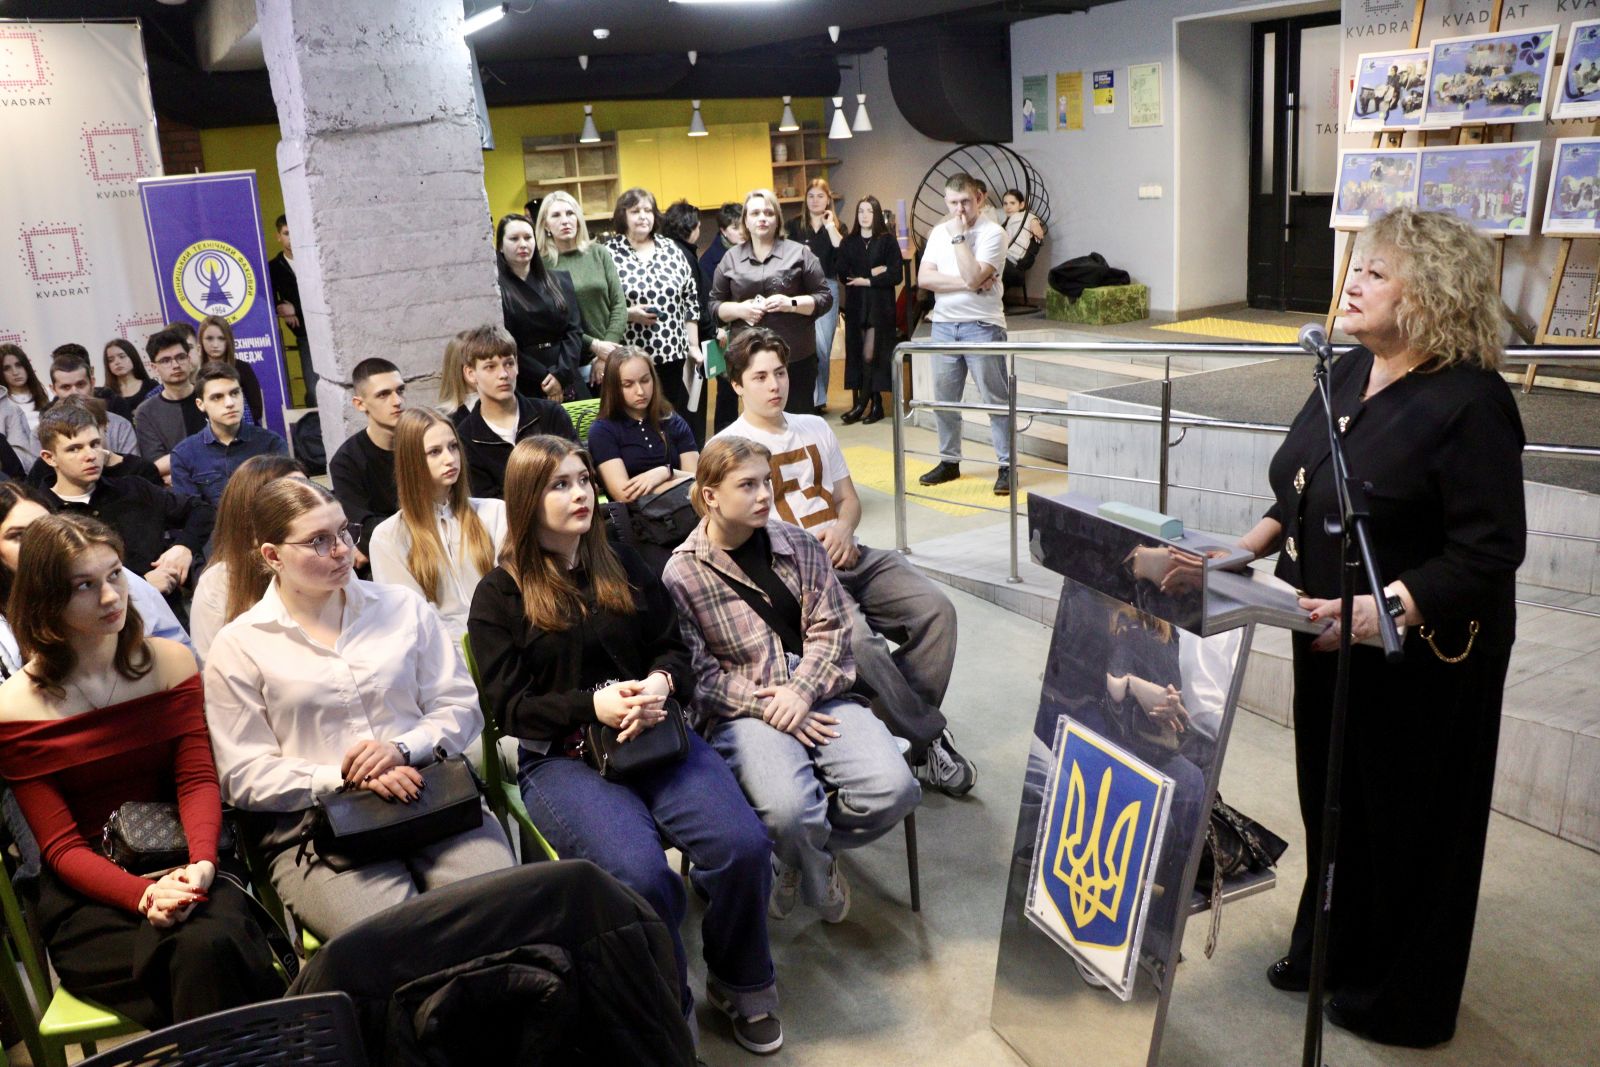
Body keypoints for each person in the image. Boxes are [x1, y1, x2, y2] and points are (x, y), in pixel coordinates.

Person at [1236, 208, 1526, 1048]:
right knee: (1335, 803)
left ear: (1429, 293)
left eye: (1375, 272)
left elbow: (1488, 550)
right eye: (1354, 268)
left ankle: (1402, 994)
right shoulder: (1347, 368)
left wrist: (1381, 607)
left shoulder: (1471, 402)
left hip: (1424, 654)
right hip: (1325, 632)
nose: (1351, 284)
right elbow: (1302, 481)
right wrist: (1244, 547)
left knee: (1409, 822)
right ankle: (1334, 947)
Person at [467, 435, 780, 1054]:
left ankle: (741, 980)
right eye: (560, 485)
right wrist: (593, 705)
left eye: (584, 479)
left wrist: (661, 682)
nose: (581, 494)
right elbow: (509, 708)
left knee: (744, 847)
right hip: (563, 759)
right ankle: (666, 1004)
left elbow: (673, 647)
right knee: (641, 876)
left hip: (654, 733)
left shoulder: (623, 562)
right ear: (526, 500)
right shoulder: (499, 595)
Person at [0, 513, 283, 1027]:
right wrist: (145, 894)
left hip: (185, 856)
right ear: (45, 599)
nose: (111, 596)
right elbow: (60, 846)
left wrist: (201, 864)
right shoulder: (14, 707)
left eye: (114, 574)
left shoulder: (170, 662)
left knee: (205, 945)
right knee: (207, 953)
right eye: (84, 585)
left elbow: (196, 780)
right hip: (89, 894)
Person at [204, 479, 515, 939]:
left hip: (431, 792)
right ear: (272, 556)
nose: (342, 551)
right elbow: (242, 773)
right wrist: (346, 776)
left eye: (344, 532)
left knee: (498, 911)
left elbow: (460, 705)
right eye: (318, 541)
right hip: (317, 825)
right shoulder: (240, 644)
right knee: (396, 940)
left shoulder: (401, 606)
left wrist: (402, 749)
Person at [663, 436, 921, 926]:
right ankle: (809, 862)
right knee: (789, 813)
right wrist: (773, 707)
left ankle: (797, 859)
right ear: (711, 495)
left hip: (820, 691)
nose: (765, 495)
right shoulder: (682, 574)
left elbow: (833, 630)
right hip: (744, 712)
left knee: (897, 790)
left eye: (767, 482)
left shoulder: (799, 544)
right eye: (748, 485)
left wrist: (800, 693)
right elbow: (699, 677)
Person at [712, 329, 973, 795]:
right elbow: (733, 538)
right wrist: (811, 555)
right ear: (736, 384)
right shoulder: (728, 447)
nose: (774, 385)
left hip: (851, 552)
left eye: (780, 373)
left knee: (937, 611)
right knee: (860, 645)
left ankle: (897, 723)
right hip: (798, 575)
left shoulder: (815, 427)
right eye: (760, 377)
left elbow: (848, 500)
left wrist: (844, 529)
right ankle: (927, 738)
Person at [38, 401, 213, 613]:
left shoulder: (134, 489)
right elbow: (54, 590)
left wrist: (184, 547)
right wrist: (141, 587)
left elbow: (201, 510)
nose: (90, 455)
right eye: (74, 449)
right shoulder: (41, 513)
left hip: (166, 617)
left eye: (94, 444)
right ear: (49, 458)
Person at [0, 484, 194, 672]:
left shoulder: (112, 576)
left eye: (45, 530)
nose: (37, 545)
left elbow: (177, 649)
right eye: (18, 536)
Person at [370, 409, 506, 645]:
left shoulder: (495, 513)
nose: (450, 458)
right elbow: (409, 620)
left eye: (453, 447)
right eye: (434, 452)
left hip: (502, 643)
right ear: (411, 461)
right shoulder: (388, 537)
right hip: (440, 655)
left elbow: (511, 595)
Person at [916, 172, 1014, 496]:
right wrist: (969, 282)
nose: (959, 210)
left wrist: (960, 240)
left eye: (965, 202)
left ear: (979, 199)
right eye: (953, 203)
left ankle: (1007, 466)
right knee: (944, 401)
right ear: (946, 201)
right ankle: (949, 461)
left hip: (982, 325)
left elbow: (973, 274)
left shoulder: (993, 233)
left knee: (995, 399)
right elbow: (924, 279)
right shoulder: (938, 232)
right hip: (944, 326)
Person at [708, 189, 832, 433]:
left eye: (768, 212)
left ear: (777, 219)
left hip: (795, 359)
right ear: (745, 221)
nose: (762, 218)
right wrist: (740, 309)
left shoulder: (799, 253)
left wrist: (791, 303)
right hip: (749, 360)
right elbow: (714, 305)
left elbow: (824, 297)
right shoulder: (730, 259)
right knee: (758, 428)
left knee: (799, 426)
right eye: (755, 213)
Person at [188, 455, 305, 658]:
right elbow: (212, 666)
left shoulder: (329, 559)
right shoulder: (218, 583)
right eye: (292, 500)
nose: (311, 506)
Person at [603, 189, 701, 429]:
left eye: (648, 210)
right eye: (635, 211)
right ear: (622, 215)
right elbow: (601, 305)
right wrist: (629, 314)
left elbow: (690, 299)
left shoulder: (671, 248)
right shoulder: (608, 252)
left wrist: (693, 345)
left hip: (672, 353)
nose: (643, 216)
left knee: (669, 418)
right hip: (630, 356)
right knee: (635, 419)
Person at [449, 325, 576, 499]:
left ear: (517, 365)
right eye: (490, 367)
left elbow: (579, 469)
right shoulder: (466, 438)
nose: (503, 374)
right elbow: (488, 503)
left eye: (509, 363)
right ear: (471, 374)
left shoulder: (551, 414)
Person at [536, 191, 627, 392]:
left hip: (612, 356)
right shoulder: (541, 265)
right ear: (545, 225)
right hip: (570, 363)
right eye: (556, 215)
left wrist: (605, 353)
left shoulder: (599, 253)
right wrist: (594, 345)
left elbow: (619, 305)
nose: (565, 220)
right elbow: (554, 321)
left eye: (570, 213)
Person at [169, 362, 289, 509]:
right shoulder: (184, 455)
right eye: (217, 397)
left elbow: (285, 503)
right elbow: (192, 515)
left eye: (234, 393)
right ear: (201, 404)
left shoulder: (272, 444)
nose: (229, 403)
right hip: (212, 524)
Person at [587, 349, 699, 503]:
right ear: (613, 388)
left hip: (684, 508)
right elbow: (624, 494)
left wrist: (666, 473)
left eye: (645, 381)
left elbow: (698, 480)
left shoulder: (672, 420)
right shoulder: (602, 431)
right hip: (635, 514)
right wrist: (680, 482)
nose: (640, 391)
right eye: (628, 385)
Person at [497, 212, 586, 402]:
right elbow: (505, 344)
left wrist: (561, 374)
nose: (523, 244)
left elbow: (574, 330)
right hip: (526, 378)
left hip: (566, 371)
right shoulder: (496, 290)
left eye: (528, 237)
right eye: (514, 239)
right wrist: (546, 378)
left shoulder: (560, 280)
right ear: (500, 246)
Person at [328, 357, 407, 567]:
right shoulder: (346, 461)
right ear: (360, 404)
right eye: (383, 394)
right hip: (386, 562)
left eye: (400, 391)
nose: (397, 401)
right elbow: (363, 530)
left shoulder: (423, 444)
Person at [657, 200, 717, 445]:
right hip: (691, 342)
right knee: (693, 407)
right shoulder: (684, 256)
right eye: (698, 225)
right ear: (690, 227)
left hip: (674, 342)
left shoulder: (667, 251)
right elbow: (697, 303)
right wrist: (713, 333)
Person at [836, 195, 900, 426]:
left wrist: (867, 279)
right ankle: (877, 405)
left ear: (876, 214)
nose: (864, 215)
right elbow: (843, 273)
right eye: (861, 211)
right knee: (860, 354)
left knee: (869, 355)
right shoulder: (848, 242)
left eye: (869, 211)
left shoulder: (887, 240)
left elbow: (896, 274)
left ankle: (861, 405)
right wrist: (874, 271)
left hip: (879, 307)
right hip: (856, 306)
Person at [785, 179, 845, 413]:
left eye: (820, 196)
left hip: (827, 287)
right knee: (805, 347)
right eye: (811, 196)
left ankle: (819, 399)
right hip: (800, 289)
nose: (815, 200)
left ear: (828, 199)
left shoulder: (837, 226)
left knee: (822, 348)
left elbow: (843, 252)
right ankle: (810, 399)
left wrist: (830, 226)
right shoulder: (794, 226)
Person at [133, 326, 206, 479]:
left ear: (189, 359)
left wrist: (178, 469)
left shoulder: (209, 396)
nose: (175, 365)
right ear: (154, 368)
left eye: (180, 357)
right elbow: (155, 465)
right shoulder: (146, 412)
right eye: (166, 360)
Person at [46, 350, 139, 456]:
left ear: (92, 382)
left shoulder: (120, 425)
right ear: (53, 390)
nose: (74, 392)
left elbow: (133, 465)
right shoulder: (43, 432)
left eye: (80, 384)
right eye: (66, 387)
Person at [269, 214, 316, 406]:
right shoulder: (273, 268)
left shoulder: (315, 260)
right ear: (278, 236)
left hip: (327, 331)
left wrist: (294, 307)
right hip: (304, 335)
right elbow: (268, 298)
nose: (292, 238)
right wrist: (280, 306)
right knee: (314, 391)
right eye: (287, 233)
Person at [197, 316, 266, 427]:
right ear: (201, 341)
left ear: (228, 340)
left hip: (245, 429)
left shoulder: (242, 368)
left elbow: (256, 409)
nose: (215, 344)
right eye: (209, 338)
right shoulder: (198, 373)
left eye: (221, 338)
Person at [0, 343, 49, 466]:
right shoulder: (4, 405)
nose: (15, 372)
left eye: (19, 365)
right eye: (7, 368)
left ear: (27, 366)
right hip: (23, 466)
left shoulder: (49, 394)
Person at [1000, 189, 1046, 297]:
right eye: (1005, 203)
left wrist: (1034, 222)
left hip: (1014, 259)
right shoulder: (1007, 221)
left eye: (1012, 203)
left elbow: (1038, 231)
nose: (1008, 207)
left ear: (1021, 205)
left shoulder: (1026, 216)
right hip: (1006, 256)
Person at [99, 338, 157, 422]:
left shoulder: (151, 386)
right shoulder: (105, 395)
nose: (117, 362)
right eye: (111, 360)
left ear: (132, 357)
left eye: (122, 356)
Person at [699, 202, 744, 292]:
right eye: (735, 228)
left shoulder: (757, 248)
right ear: (723, 231)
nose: (742, 231)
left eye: (744, 226)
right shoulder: (708, 262)